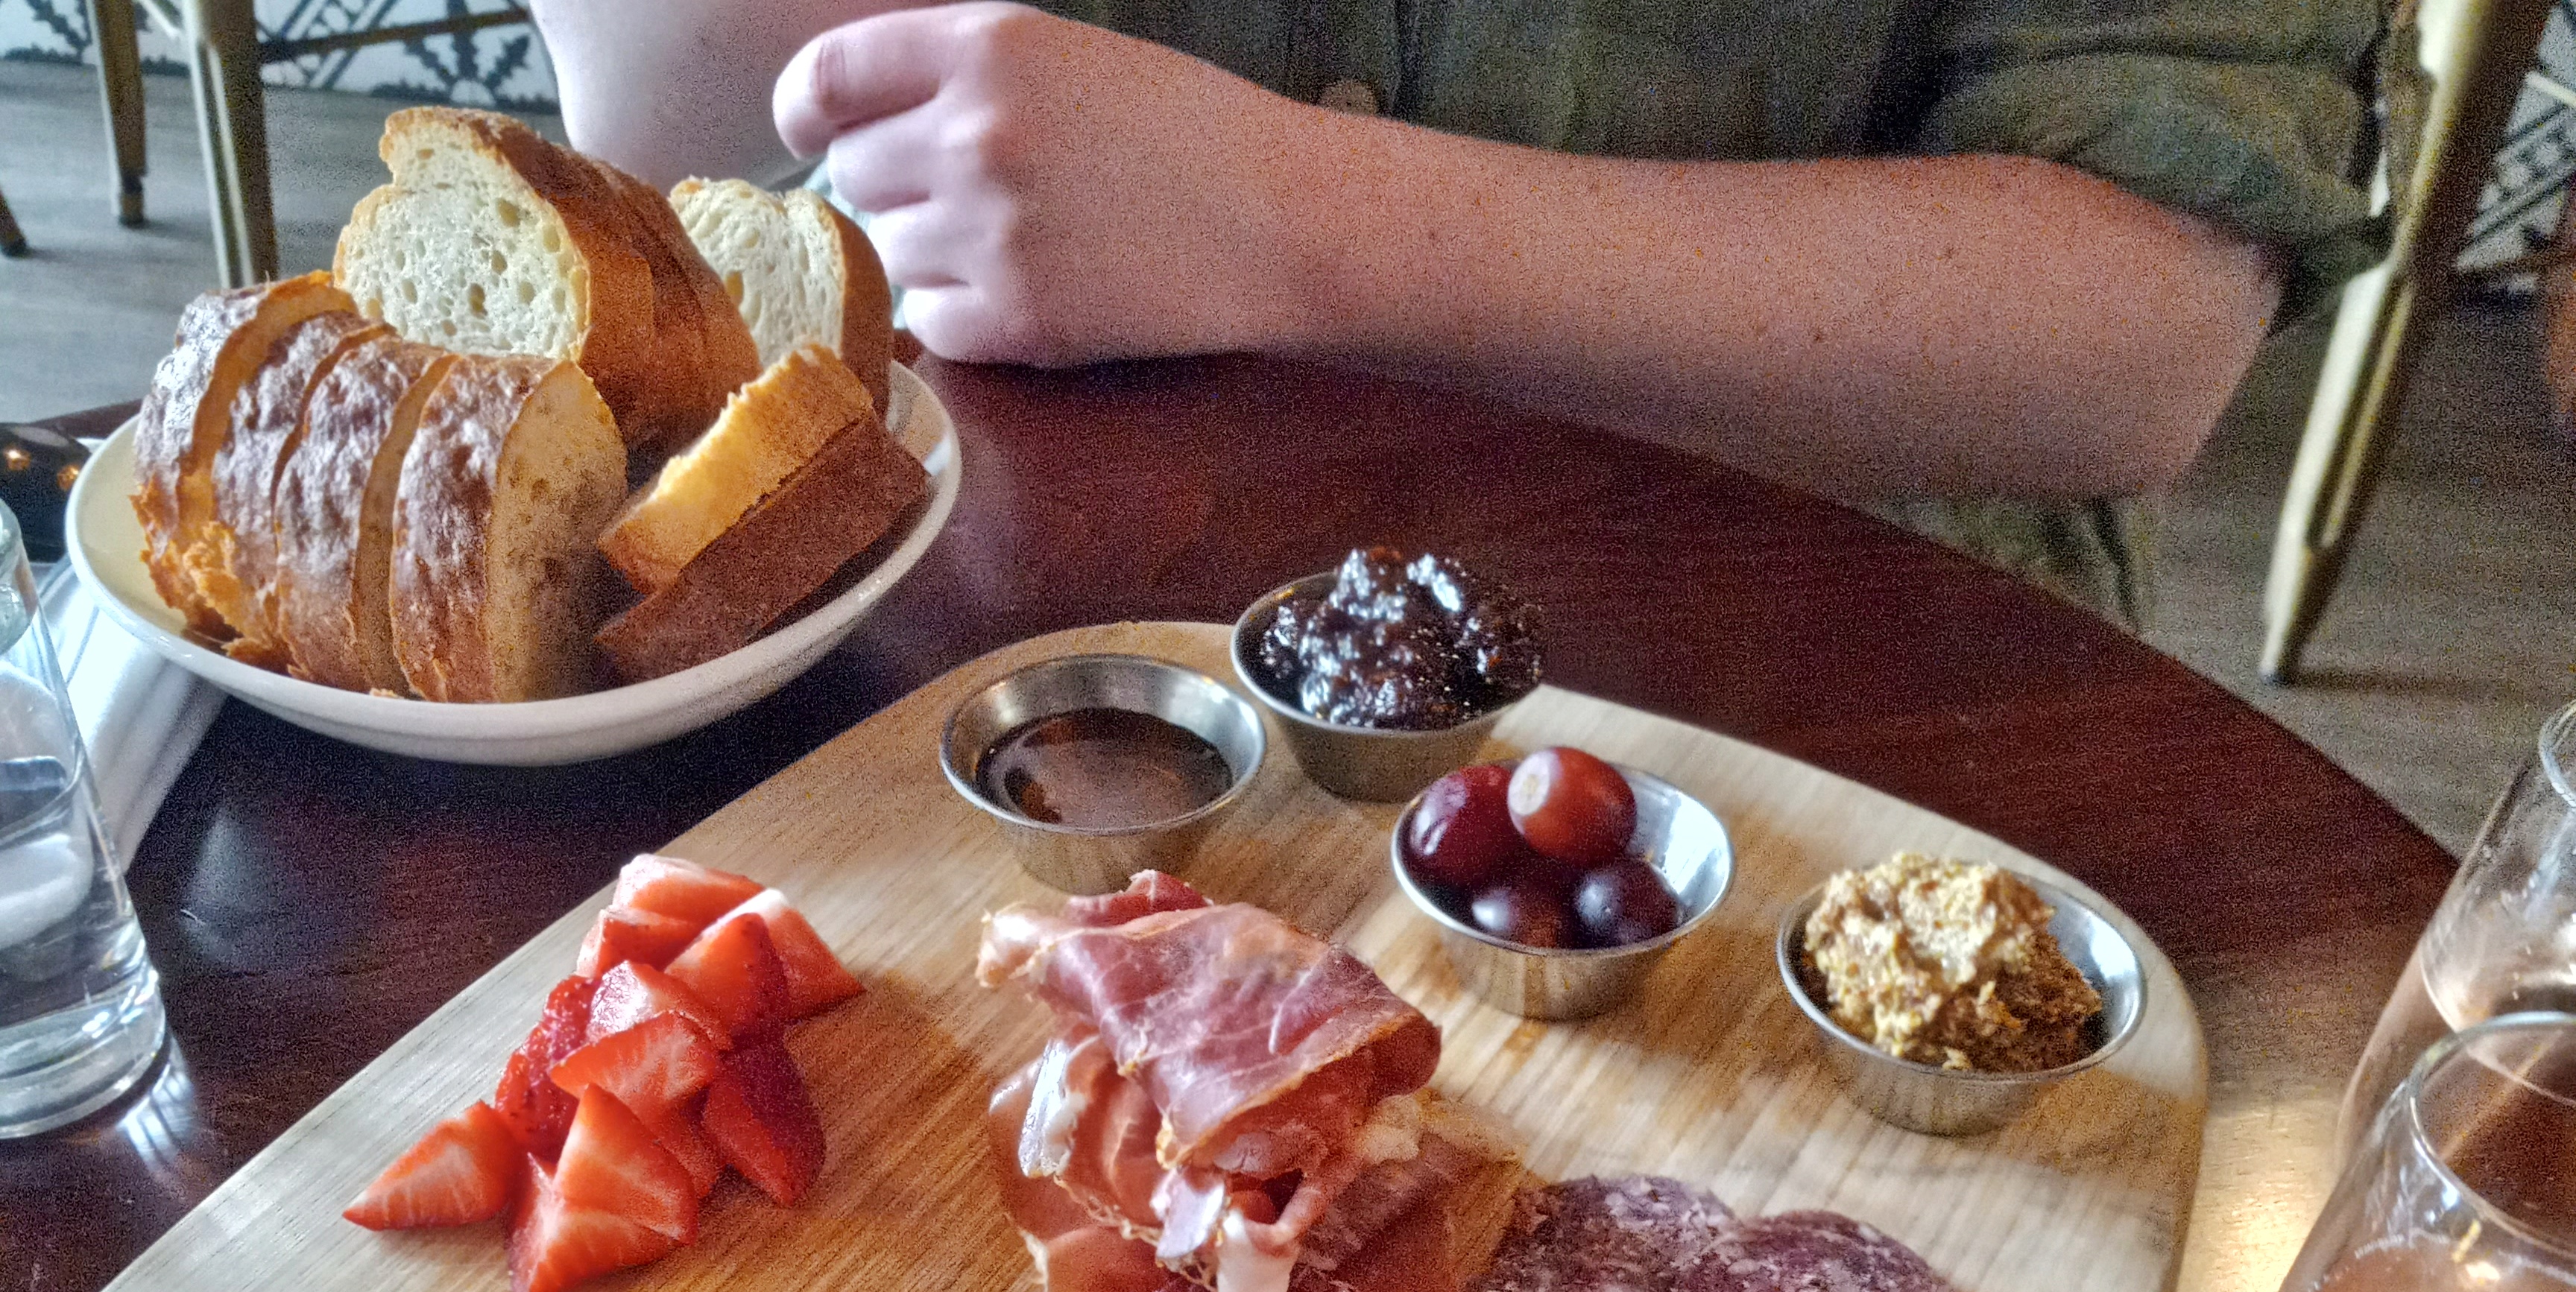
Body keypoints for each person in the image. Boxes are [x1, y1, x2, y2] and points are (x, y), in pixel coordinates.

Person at [528, 0, 2389, 624]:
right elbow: (662, 111)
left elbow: (2137, 330)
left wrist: (1284, 223)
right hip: (973, 620)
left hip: (1802, 665)